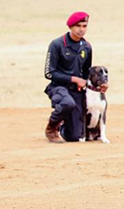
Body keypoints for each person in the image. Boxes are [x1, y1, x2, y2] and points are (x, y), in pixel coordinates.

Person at [43, 12, 108, 143]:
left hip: (77, 91)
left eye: (84, 26)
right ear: (70, 27)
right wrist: (74, 79)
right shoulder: (57, 44)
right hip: (58, 87)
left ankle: (65, 124)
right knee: (67, 103)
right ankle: (51, 128)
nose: (81, 29)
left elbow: (87, 73)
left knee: (74, 137)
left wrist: (100, 84)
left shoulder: (87, 47)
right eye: (78, 26)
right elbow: (49, 73)